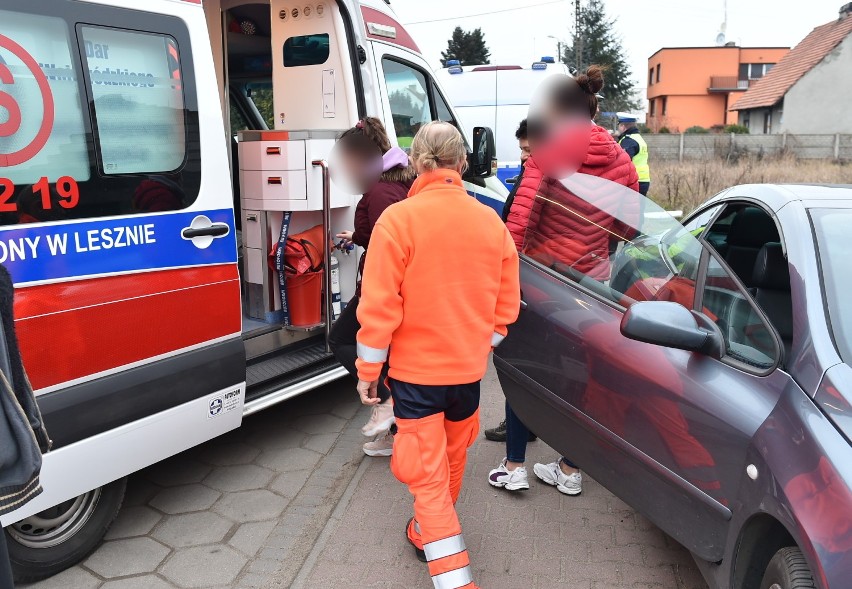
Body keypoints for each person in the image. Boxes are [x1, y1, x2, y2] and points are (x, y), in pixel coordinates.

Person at [355, 121, 520, 589]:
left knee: (426, 477)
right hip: (467, 375)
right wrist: (476, 346)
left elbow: (379, 306)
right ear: (462, 163)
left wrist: (369, 371)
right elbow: (506, 308)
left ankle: (454, 579)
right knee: (449, 460)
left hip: (416, 377)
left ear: (415, 162)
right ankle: (423, 530)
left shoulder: (399, 221)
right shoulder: (490, 221)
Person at [489, 65, 639, 496]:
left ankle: (515, 465)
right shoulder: (621, 159)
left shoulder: (546, 152)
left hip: (542, 281)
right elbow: (626, 230)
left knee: (525, 371)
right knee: (580, 377)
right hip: (593, 283)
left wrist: (504, 278)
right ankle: (571, 470)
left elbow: (520, 222)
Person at [328, 117, 415, 457]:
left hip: (383, 284)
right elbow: (381, 231)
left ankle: (387, 400)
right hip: (395, 284)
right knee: (392, 355)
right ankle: (394, 436)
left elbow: (390, 241)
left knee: (341, 338)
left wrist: (379, 289)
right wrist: (358, 236)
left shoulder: (379, 191)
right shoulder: (394, 181)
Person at [487, 120, 538, 443]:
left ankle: (520, 425)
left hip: (526, 276)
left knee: (516, 357)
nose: (522, 156)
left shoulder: (536, 178)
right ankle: (524, 421)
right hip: (536, 276)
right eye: (520, 149)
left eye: (528, 150)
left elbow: (516, 230)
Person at [617, 113, 651, 195]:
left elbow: (623, 162)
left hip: (633, 181)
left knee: (628, 207)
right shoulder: (638, 138)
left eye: (619, 126)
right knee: (638, 207)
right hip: (644, 179)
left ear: (623, 126)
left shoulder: (628, 141)